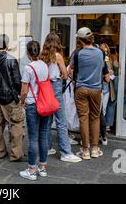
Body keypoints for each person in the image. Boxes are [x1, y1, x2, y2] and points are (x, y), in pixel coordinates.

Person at [40, 33, 82, 163]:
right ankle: (65, 152)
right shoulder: (57, 56)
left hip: (46, 87)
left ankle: (47, 147)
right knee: (61, 121)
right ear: (57, 43)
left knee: (47, 120)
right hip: (56, 86)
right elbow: (64, 74)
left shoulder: (42, 56)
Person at [70, 27, 109, 160]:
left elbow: (70, 71)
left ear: (80, 40)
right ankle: (95, 149)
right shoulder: (100, 53)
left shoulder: (77, 54)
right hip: (96, 89)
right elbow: (105, 71)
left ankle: (85, 150)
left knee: (83, 118)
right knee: (95, 117)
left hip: (81, 89)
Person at [0, 34, 26, 162]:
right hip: (10, 98)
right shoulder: (12, 59)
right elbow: (17, 81)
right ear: (7, 44)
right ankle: (15, 154)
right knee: (15, 124)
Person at [19, 41, 51, 180]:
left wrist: (22, 102)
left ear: (28, 52)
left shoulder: (28, 68)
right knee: (43, 135)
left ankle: (31, 169)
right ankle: (42, 167)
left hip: (33, 104)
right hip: (45, 104)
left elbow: (24, 90)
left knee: (33, 138)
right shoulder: (44, 65)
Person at [99, 43, 116, 145]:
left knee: (103, 111)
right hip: (99, 89)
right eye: (102, 51)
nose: (104, 53)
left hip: (106, 89)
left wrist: (110, 74)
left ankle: (102, 134)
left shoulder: (109, 60)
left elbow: (112, 73)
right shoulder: (99, 60)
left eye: (106, 51)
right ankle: (102, 135)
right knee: (100, 113)